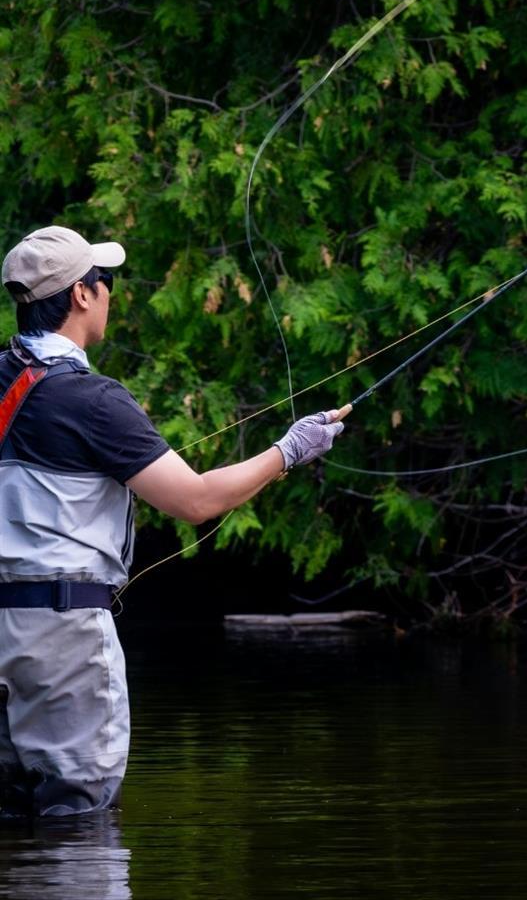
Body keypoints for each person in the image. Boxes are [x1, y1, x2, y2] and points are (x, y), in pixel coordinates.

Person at [0, 225, 344, 819]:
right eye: (103, 282)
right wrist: (291, 449)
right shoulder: (93, 399)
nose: (109, 293)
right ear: (82, 296)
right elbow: (196, 501)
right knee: (79, 814)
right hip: (61, 639)